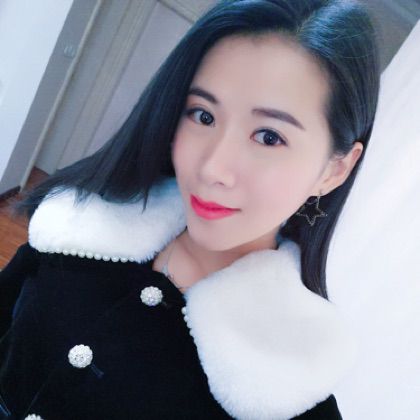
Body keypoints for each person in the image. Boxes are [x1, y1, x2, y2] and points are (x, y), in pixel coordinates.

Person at [0, 0, 380, 418]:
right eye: (203, 115)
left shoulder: (284, 387)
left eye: (269, 137)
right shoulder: (75, 229)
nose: (213, 167)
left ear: (334, 170)